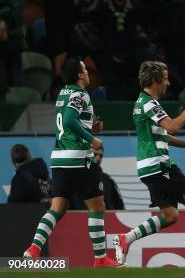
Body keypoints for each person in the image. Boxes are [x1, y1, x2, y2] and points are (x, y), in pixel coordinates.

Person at [113, 61, 185, 267]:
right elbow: (172, 127)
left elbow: (162, 135)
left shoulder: (143, 103)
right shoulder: (149, 103)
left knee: (170, 216)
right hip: (159, 166)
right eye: (165, 78)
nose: (168, 83)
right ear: (155, 81)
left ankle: (126, 238)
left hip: (150, 167)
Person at [22, 56, 122, 267]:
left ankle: (33, 249)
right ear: (79, 75)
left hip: (59, 158)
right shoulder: (80, 93)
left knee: (57, 208)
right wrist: (91, 138)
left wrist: (88, 128)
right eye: (85, 69)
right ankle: (101, 258)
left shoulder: (63, 94)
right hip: (79, 158)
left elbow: (68, 123)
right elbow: (68, 120)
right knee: (97, 207)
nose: (88, 72)